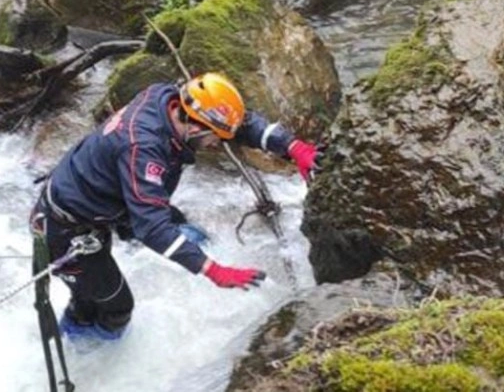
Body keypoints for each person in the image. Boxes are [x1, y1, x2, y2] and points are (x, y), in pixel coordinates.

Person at [29, 72, 320, 341]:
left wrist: (292, 147)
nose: (216, 145)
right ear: (194, 126)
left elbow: (238, 125)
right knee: (115, 306)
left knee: (177, 227)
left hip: (108, 198)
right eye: (213, 139)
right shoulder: (142, 148)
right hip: (66, 226)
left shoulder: (168, 98)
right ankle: (82, 347)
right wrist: (213, 270)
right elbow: (151, 228)